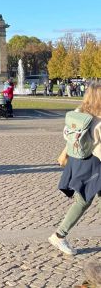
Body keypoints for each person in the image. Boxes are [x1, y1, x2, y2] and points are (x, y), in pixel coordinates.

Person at [49, 82, 101, 256]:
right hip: (95, 164)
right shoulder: (98, 120)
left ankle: (60, 235)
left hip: (78, 161)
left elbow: (69, 137)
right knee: (83, 200)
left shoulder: (78, 113)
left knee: (84, 200)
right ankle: (59, 235)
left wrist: (65, 154)